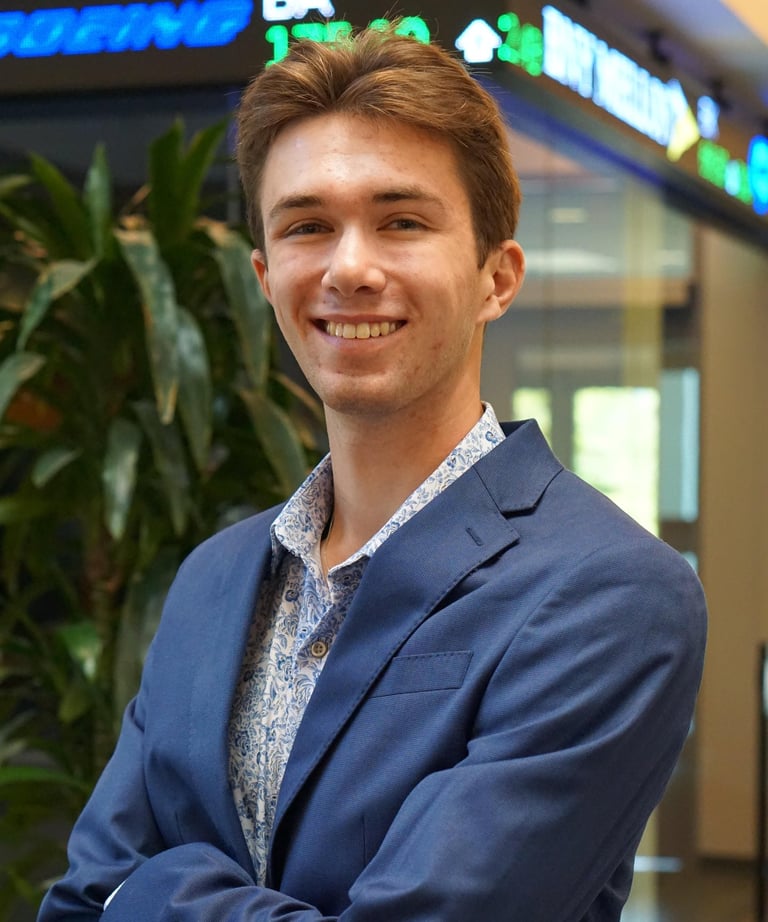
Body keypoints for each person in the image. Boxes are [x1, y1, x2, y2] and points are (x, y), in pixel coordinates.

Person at [38, 25, 707, 922]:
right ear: (267, 277)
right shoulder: (213, 580)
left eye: (402, 221)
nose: (349, 268)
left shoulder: (609, 593)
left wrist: (153, 891)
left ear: (496, 279)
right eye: (308, 226)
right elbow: (80, 899)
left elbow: (123, 890)